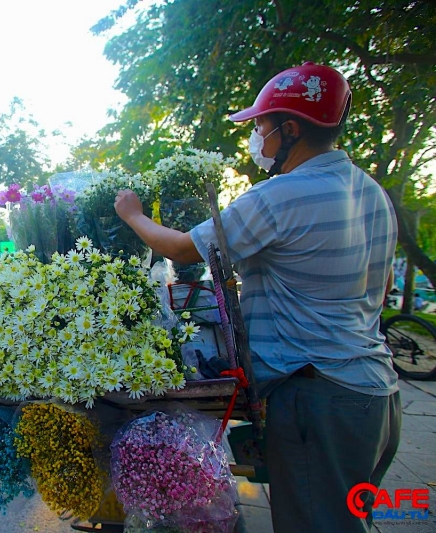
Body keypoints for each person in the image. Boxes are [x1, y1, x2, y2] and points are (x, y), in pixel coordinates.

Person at [114, 62, 399, 533]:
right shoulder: (372, 192)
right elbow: (383, 287)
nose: (257, 137)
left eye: (262, 126)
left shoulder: (283, 194)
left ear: (290, 130)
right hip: (374, 394)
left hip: (318, 395)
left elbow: (184, 247)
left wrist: (133, 216)